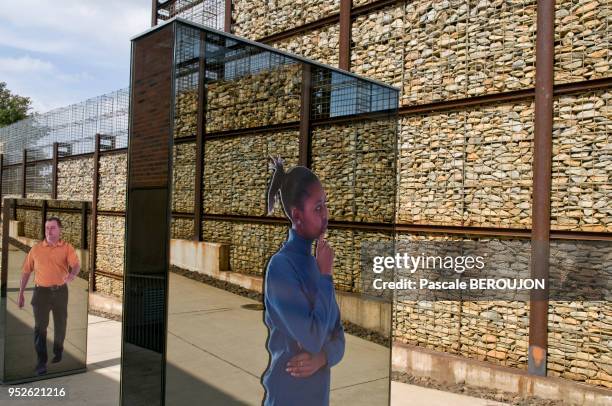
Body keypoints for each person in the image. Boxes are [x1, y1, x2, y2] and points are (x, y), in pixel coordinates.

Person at [261, 156, 345, 406]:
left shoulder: (315, 265)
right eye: (318, 208)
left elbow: (339, 336)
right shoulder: (281, 268)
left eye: (325, 205)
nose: (326, 215)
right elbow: (314, 337)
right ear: (297, 215)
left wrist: (321, 358)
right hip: (286, 397)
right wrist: (326, 277)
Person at [18, 216, 81, 376]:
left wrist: (72, 275)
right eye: (47, 228)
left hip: (60, 292)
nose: (49, 231)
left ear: (60, 230)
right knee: (40, 328)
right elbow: (26, 272)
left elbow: (76, 265)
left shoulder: (67, 248)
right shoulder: (36, 249)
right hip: (41, 293)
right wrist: (21, 294)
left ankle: (58, 350)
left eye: (52, 228)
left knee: (60, 324)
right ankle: (41, 362)